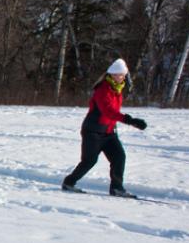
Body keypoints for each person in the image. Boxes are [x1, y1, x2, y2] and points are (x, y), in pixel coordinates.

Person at [62, 58, 147, 198]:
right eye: (120, 74)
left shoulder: (117, 89)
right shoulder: (103, 89)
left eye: (124, 74)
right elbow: (108, 111)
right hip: (93, 132)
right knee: (89, 161)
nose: (122, 77)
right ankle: (69, 182)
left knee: (119, 157)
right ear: (112, 74)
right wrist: (130, 120)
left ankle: (117, 188)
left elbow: (113, 112)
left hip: (109, 132)